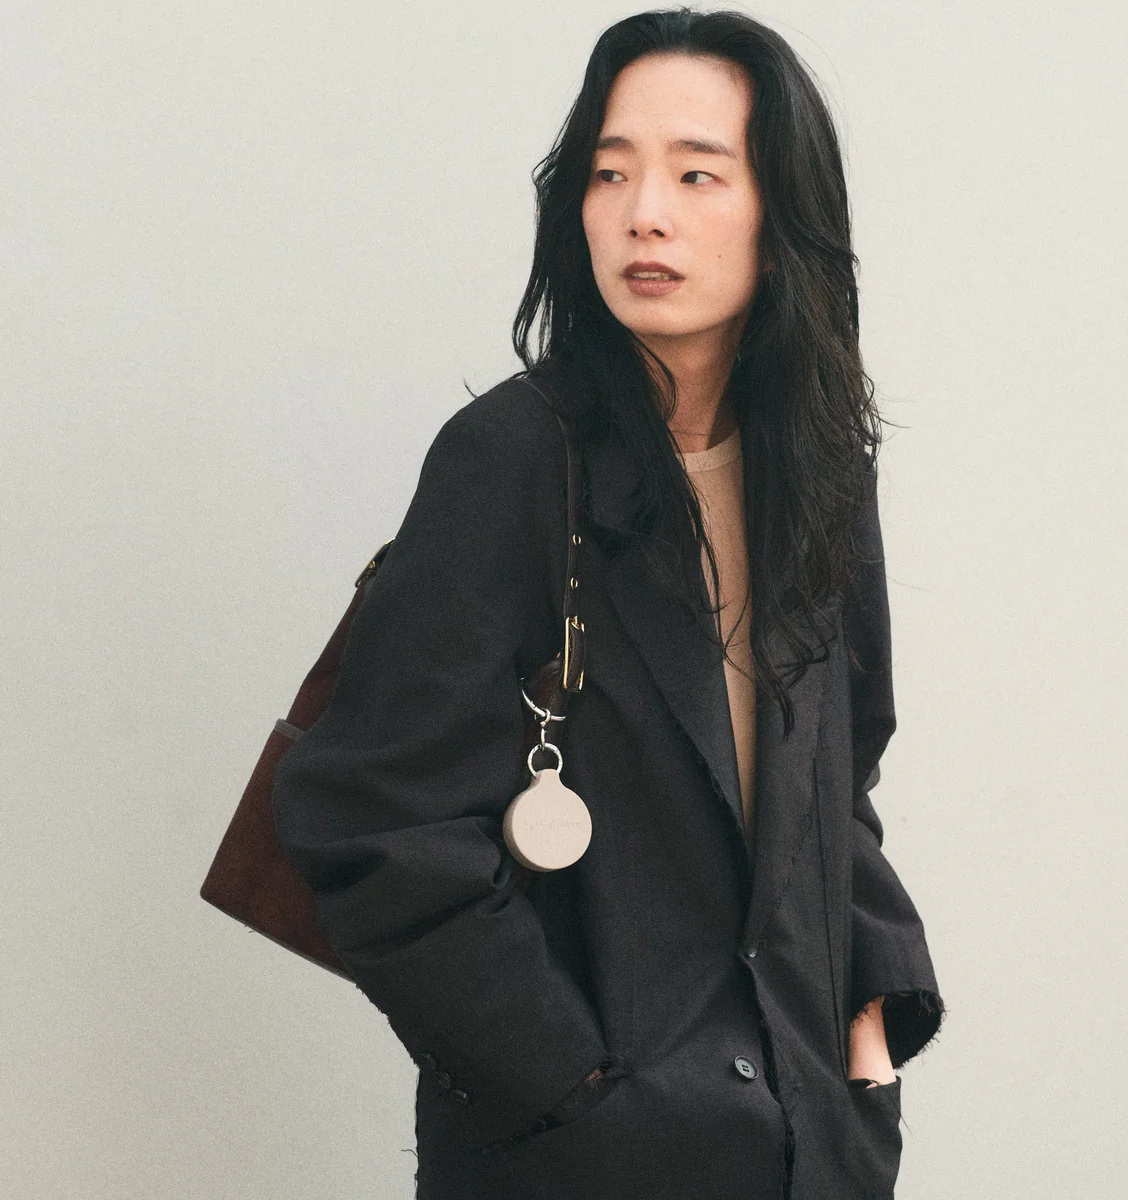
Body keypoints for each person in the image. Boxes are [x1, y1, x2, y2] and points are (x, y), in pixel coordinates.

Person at [271, 7, 944, 1198]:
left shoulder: (819, 470)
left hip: (805, 1153)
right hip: (579, 1162)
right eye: (610, 171)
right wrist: (577, 1092)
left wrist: (868, 1044)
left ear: (781, 219)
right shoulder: (514, 459)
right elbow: (374, 822)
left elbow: (839, 780)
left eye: (697, 173)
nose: (644, 213)